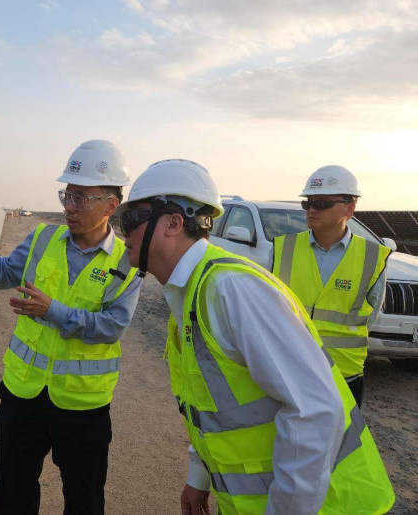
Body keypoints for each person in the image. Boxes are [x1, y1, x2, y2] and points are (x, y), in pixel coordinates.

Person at [117, 159, 394, 514]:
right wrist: (199, 477)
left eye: (130, 220)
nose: (123, 232)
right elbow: (215, 411)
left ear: (173, 222)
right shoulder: (191, 294)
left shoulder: (230, 289)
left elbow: (314, 411)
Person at [0, 140, 141, 515]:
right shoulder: (43, 238)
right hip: (22, 393)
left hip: (82, 404)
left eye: (82, 199)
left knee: (84, 498)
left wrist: (51, 310)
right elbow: (7, 272)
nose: (70, 207)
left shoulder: (127, 263)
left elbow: (111, 327)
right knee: (13, 490)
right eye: (67, 195)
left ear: (111, 206)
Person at [271, 166, 390, 408]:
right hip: (290, 369)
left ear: (350, 207)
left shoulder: (372, 256)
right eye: (308, 202)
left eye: (322, 202)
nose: (312, 209)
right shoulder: (284, 248)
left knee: (340, 444)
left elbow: (371, 315)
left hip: (344, 374)